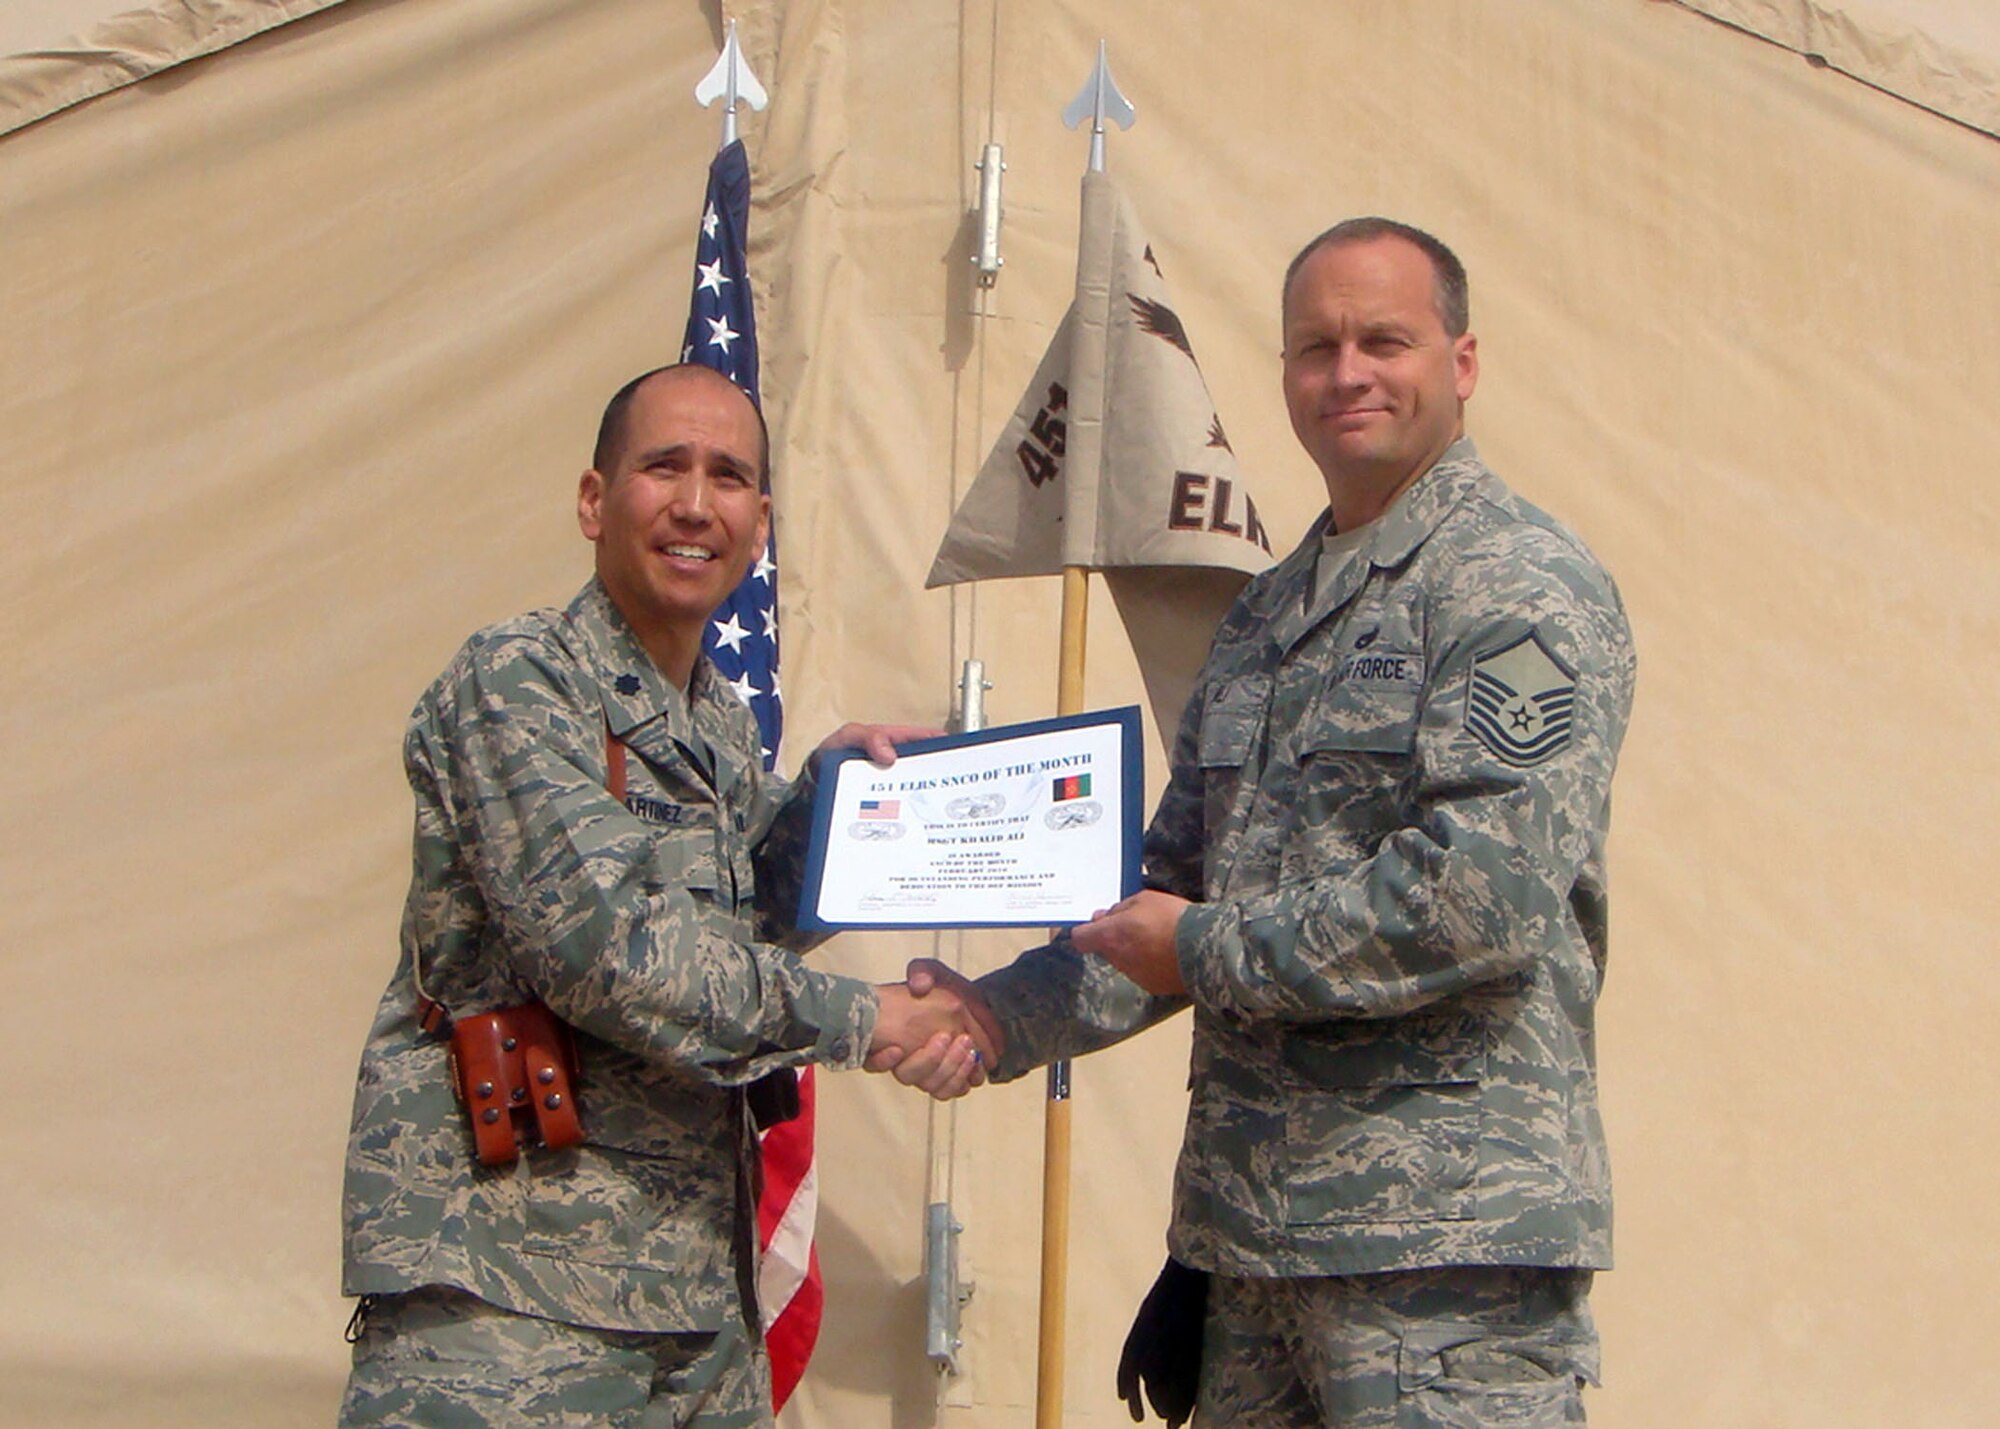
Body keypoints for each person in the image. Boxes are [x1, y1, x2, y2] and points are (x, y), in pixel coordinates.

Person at [893, 219, 1637, 1425]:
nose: (1346, 373)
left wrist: (1195, 946)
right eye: (1313, 347)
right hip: (1249, 1253)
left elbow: (1474, 899)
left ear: (1460, 362)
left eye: (1382, 341)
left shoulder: (1515, 583)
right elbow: (1167, 890)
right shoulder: (1262, 619)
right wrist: (993, 1015)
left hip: (1441, 1257)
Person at [339, 363, 995, 1427]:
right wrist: (867, 1018)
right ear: (594, 500)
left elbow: (732, 924)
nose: (696, 504)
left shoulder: (716, 724)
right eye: (664, 467)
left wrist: (835, 811)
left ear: (760, 524)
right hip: (511, 1298)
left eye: (729, 477)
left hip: (690, 1303)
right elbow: (606, 951)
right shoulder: (520, 680)